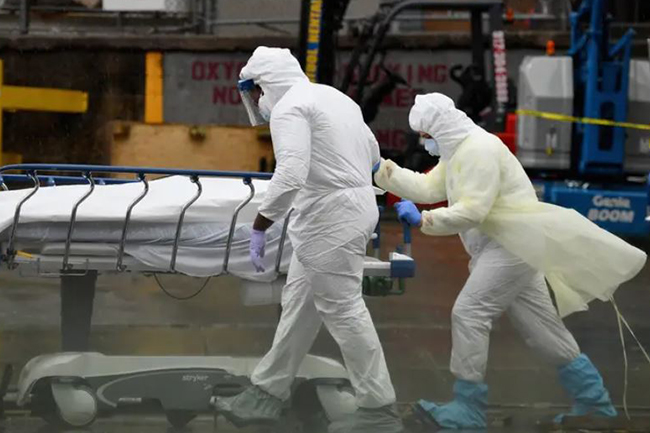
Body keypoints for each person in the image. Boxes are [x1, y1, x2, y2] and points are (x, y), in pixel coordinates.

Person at [374, 92, 647, 429]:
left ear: (440, 130)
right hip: (513, 246)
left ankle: (468, 409)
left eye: (426, 137)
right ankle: (596, 403)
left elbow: (473, 210)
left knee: (469, 313)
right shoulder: (459, 150)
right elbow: (431, 187)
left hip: (510, 248)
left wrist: (424, 221)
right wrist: (384, 172)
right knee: (542, 330)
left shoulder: (479, 150)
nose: (424, 143)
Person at [214, 46, 403, 433]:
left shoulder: (289, 108)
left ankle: (379, 409)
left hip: (329, 218)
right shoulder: (335, 98)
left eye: (256, 92)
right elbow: (371, 155)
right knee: (299, 304)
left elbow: (291, 173)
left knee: (344, 310)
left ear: (266, 82)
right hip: (350, 208)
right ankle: (267, 392)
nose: (258, 102)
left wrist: (260, 225)